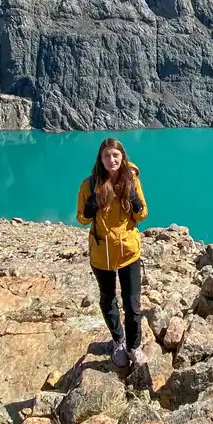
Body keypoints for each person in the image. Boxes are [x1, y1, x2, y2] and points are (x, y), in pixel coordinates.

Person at [76, 137, 148, 368]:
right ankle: (118, 341)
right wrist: (89, 209)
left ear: (122, 157)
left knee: (133, 305)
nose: (111, 160)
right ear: (101, 159)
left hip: (128, 250)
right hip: (102, 252)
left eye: (115, 155)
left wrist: (136, 203)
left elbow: (142, 215)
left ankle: (133, 346)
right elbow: (82, 218)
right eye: (106, 156)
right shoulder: (89, 185)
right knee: (108, 300)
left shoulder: (132, 181)